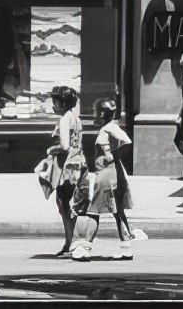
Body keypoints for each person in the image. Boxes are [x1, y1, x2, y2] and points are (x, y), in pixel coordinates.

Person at [70, 99, 145, 260]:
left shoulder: (109, 128)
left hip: (105, 175)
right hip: (113, 173)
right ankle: (126, 248)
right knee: (118, 212)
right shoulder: (109, 127)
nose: (96, 114)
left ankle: (85, 247)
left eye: (98, 111)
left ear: (103, 113)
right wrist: (114, 156)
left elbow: (126, 141)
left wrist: (114, 155)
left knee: (94, 211)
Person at [47, 86, 87, 257]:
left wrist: (51, 149)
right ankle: (71, 242)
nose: (52, 105)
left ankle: (71, 242)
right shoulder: (76, 119)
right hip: (78, 163)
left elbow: (64, 145)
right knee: (73, 204)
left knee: (64, 205)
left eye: (55, 102)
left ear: (62, 103)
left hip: (66, 167)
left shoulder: (64, 119)